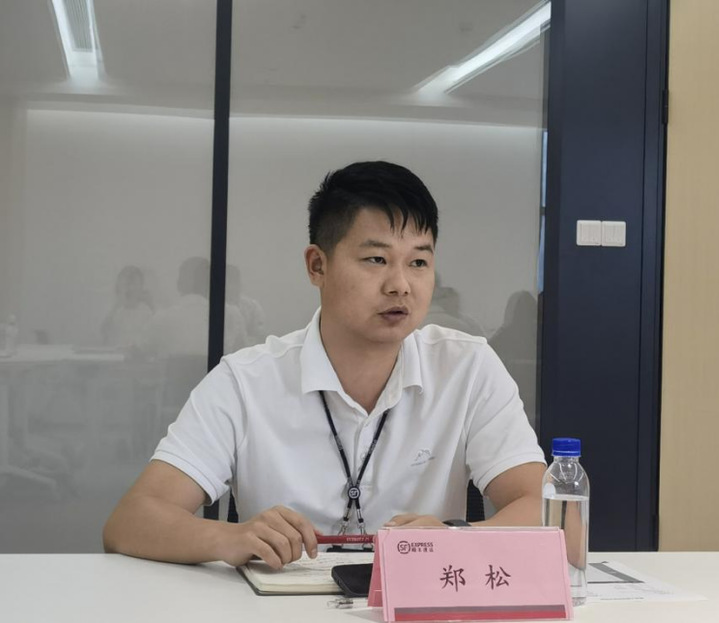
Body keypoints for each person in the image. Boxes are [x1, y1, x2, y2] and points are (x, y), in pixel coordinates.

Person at [103, 161, 546, 569]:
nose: (400, 285)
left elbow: (554, 516)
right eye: (376, 259)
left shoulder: (467, 368)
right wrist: (229, 537)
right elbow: (130, 521)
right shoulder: (246, 381)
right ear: (317, 265)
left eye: (418, 262)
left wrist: (458, 540)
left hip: (414, 606)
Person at [101, 266, 153, 348]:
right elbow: (104, 332)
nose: (131, 288)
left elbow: (152, 338)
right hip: (115, 353)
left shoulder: (146, 312)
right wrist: (116, 306)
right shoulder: (115, 311)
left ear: (141, 287)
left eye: (134, 284)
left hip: (137, 354)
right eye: (127, 284)